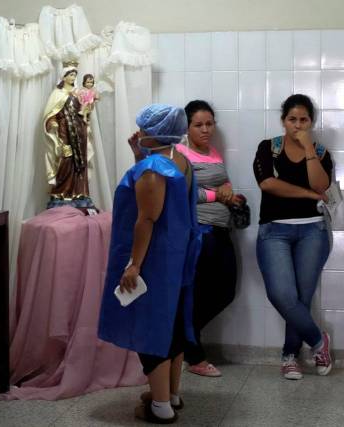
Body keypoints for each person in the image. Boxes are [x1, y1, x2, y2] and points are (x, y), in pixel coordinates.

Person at [99, 104, 200, 424]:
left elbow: (146, 219)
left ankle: (160, 408)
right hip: (175, 258)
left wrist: (134, 265)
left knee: (150, 330)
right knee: (172, 327)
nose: (138, 132)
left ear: (155, 133)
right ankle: (170, 394)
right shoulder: (178, 159)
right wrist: (138, 154)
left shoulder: (154, 170)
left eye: (142, 129)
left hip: (154, 262)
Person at [252, 94, 333, 380]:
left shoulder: (321, 152)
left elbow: (321, 184)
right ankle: (319, 342)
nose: (298, 125)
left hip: (314, 230)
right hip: (274, 230)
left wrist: (309, 147)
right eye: (292, 119)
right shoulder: (268, 148)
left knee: (301, 297)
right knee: (282, 295)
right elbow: (268, 184)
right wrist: (309, 195)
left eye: (304, 120)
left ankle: (289, 355)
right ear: (283, 120)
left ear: (311, 122)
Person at [175, 100, 243, 377]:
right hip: (200, 231)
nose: (205, 129)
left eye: (209, 124)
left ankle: (182, 338)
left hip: (221, 228)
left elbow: (219, 183)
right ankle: (193, 354)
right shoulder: (180, 153)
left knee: (225, 291)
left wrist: (230, 192)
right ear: (187, 127)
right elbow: (183, 192)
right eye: (198, 125)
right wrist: (218, 194)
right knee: (198, 293)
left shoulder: (213, 152)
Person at [43, 62, 94, 208]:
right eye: (70, 74)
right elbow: (50, 113)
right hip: (64, 130)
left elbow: (85, 110)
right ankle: (60, 192)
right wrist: (52, 122)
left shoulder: (79, 93)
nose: (73, 77)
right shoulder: (57, 94)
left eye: (74, 75)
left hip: (79, 130)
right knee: (66, 158)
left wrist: (88, 108)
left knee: (80, 162)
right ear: (64, 76)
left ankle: (80, 193)